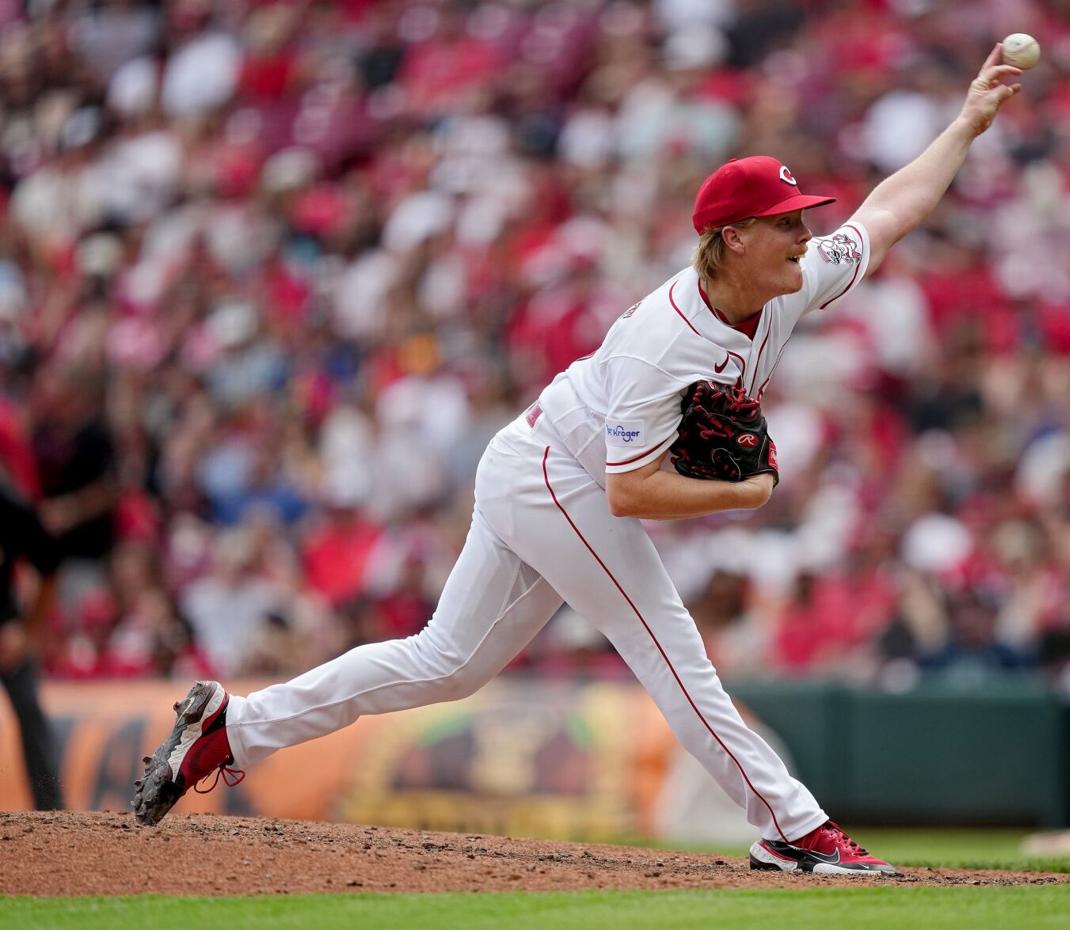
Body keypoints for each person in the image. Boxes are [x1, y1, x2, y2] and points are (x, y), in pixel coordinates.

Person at [134, 45, 1022, 876]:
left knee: (449, 663)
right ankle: (795, 831)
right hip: (559, 475)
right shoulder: (662, 342)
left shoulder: (783, 285)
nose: (805, 234)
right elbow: (629, 492)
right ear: (734, 239)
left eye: (801, 220)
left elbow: (887, 215)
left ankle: (234, 727)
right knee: (670, 648)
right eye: (786, 222)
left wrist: (966, 123)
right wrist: (741, 493)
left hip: (539, 459)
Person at [0, 478, 66, 810]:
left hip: (5, 627)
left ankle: (52, 811)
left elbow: (49, 562)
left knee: (29, 711)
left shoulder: (9, 503)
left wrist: (27, 631)